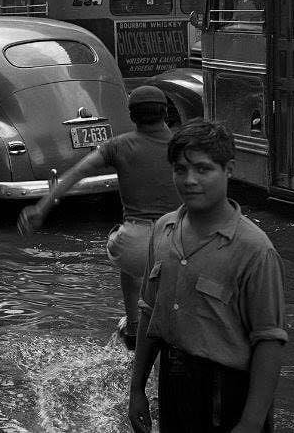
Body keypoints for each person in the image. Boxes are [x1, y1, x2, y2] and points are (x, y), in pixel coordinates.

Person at [128, 120, 287, 433]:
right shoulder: (163, 231)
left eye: (203, 169)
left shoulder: (255, 251)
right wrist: (137, 391)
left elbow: (269, 341)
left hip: (228, 394)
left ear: (228, 169)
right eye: (180, 169)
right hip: (174, 386)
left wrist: (251, 423)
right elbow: (150, 313)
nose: (190, 181)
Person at [17, 85, 177, 350]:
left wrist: (41, 207)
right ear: (165, 113)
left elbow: (74, 174)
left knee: (126, 248)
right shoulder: (182, 146)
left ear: (132, 117)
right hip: (179, 240)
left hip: (136, 243)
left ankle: (134, 328)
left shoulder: (117, 146)